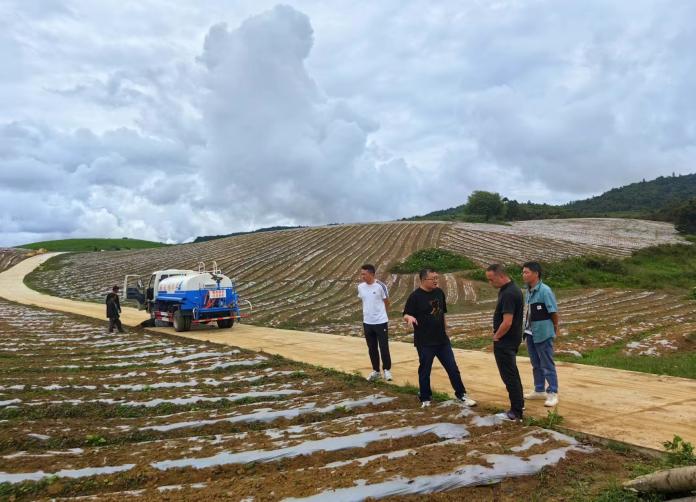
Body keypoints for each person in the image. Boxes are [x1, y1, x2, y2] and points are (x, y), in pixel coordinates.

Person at [403, 268, 476, 408]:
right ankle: (425, 398)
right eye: (433, 278)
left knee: (452, 368)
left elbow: (442, 314)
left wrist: (446, 330)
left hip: (442, 340)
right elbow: (406, 314)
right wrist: (409, 318)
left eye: (437, 278)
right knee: (425, 370)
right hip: (425, 341)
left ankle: (461, 395)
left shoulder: (439, 293)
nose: (436, 281)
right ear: (423, 280)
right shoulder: (415, 297)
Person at [485, 264, 524, 421]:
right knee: (512, 373)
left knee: (509, 376)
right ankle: (519, 404)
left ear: (501, 276)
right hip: (512, 339)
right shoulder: (511, 289)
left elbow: (507, 321)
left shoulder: (508, 293)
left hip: (506, 341)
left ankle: (515, 412)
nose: (490, 283)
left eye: (491, 280)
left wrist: (497, 336)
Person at [522, 261, 560, 407]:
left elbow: (553, 312)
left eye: (526, 272)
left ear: (536, 274)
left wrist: (554, 328)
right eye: (523, 272)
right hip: (530, 332)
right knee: (535, 363)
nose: (523, 275)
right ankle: (539, 389)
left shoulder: (545, 291)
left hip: (543, 332)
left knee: (547, 363)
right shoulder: (528, 290)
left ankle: (552, 392)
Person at [357, 264, 392, 381]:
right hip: (367, 322)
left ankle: (387, 370)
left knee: (383, 347)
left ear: (372, 274)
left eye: (364, 274)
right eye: (361, 274)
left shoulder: (380, 286)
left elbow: (387, 302)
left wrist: (384, 315)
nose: (362, 276)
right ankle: (376, 371)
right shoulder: (360, 287)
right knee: (371, 348)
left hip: (381, 322)